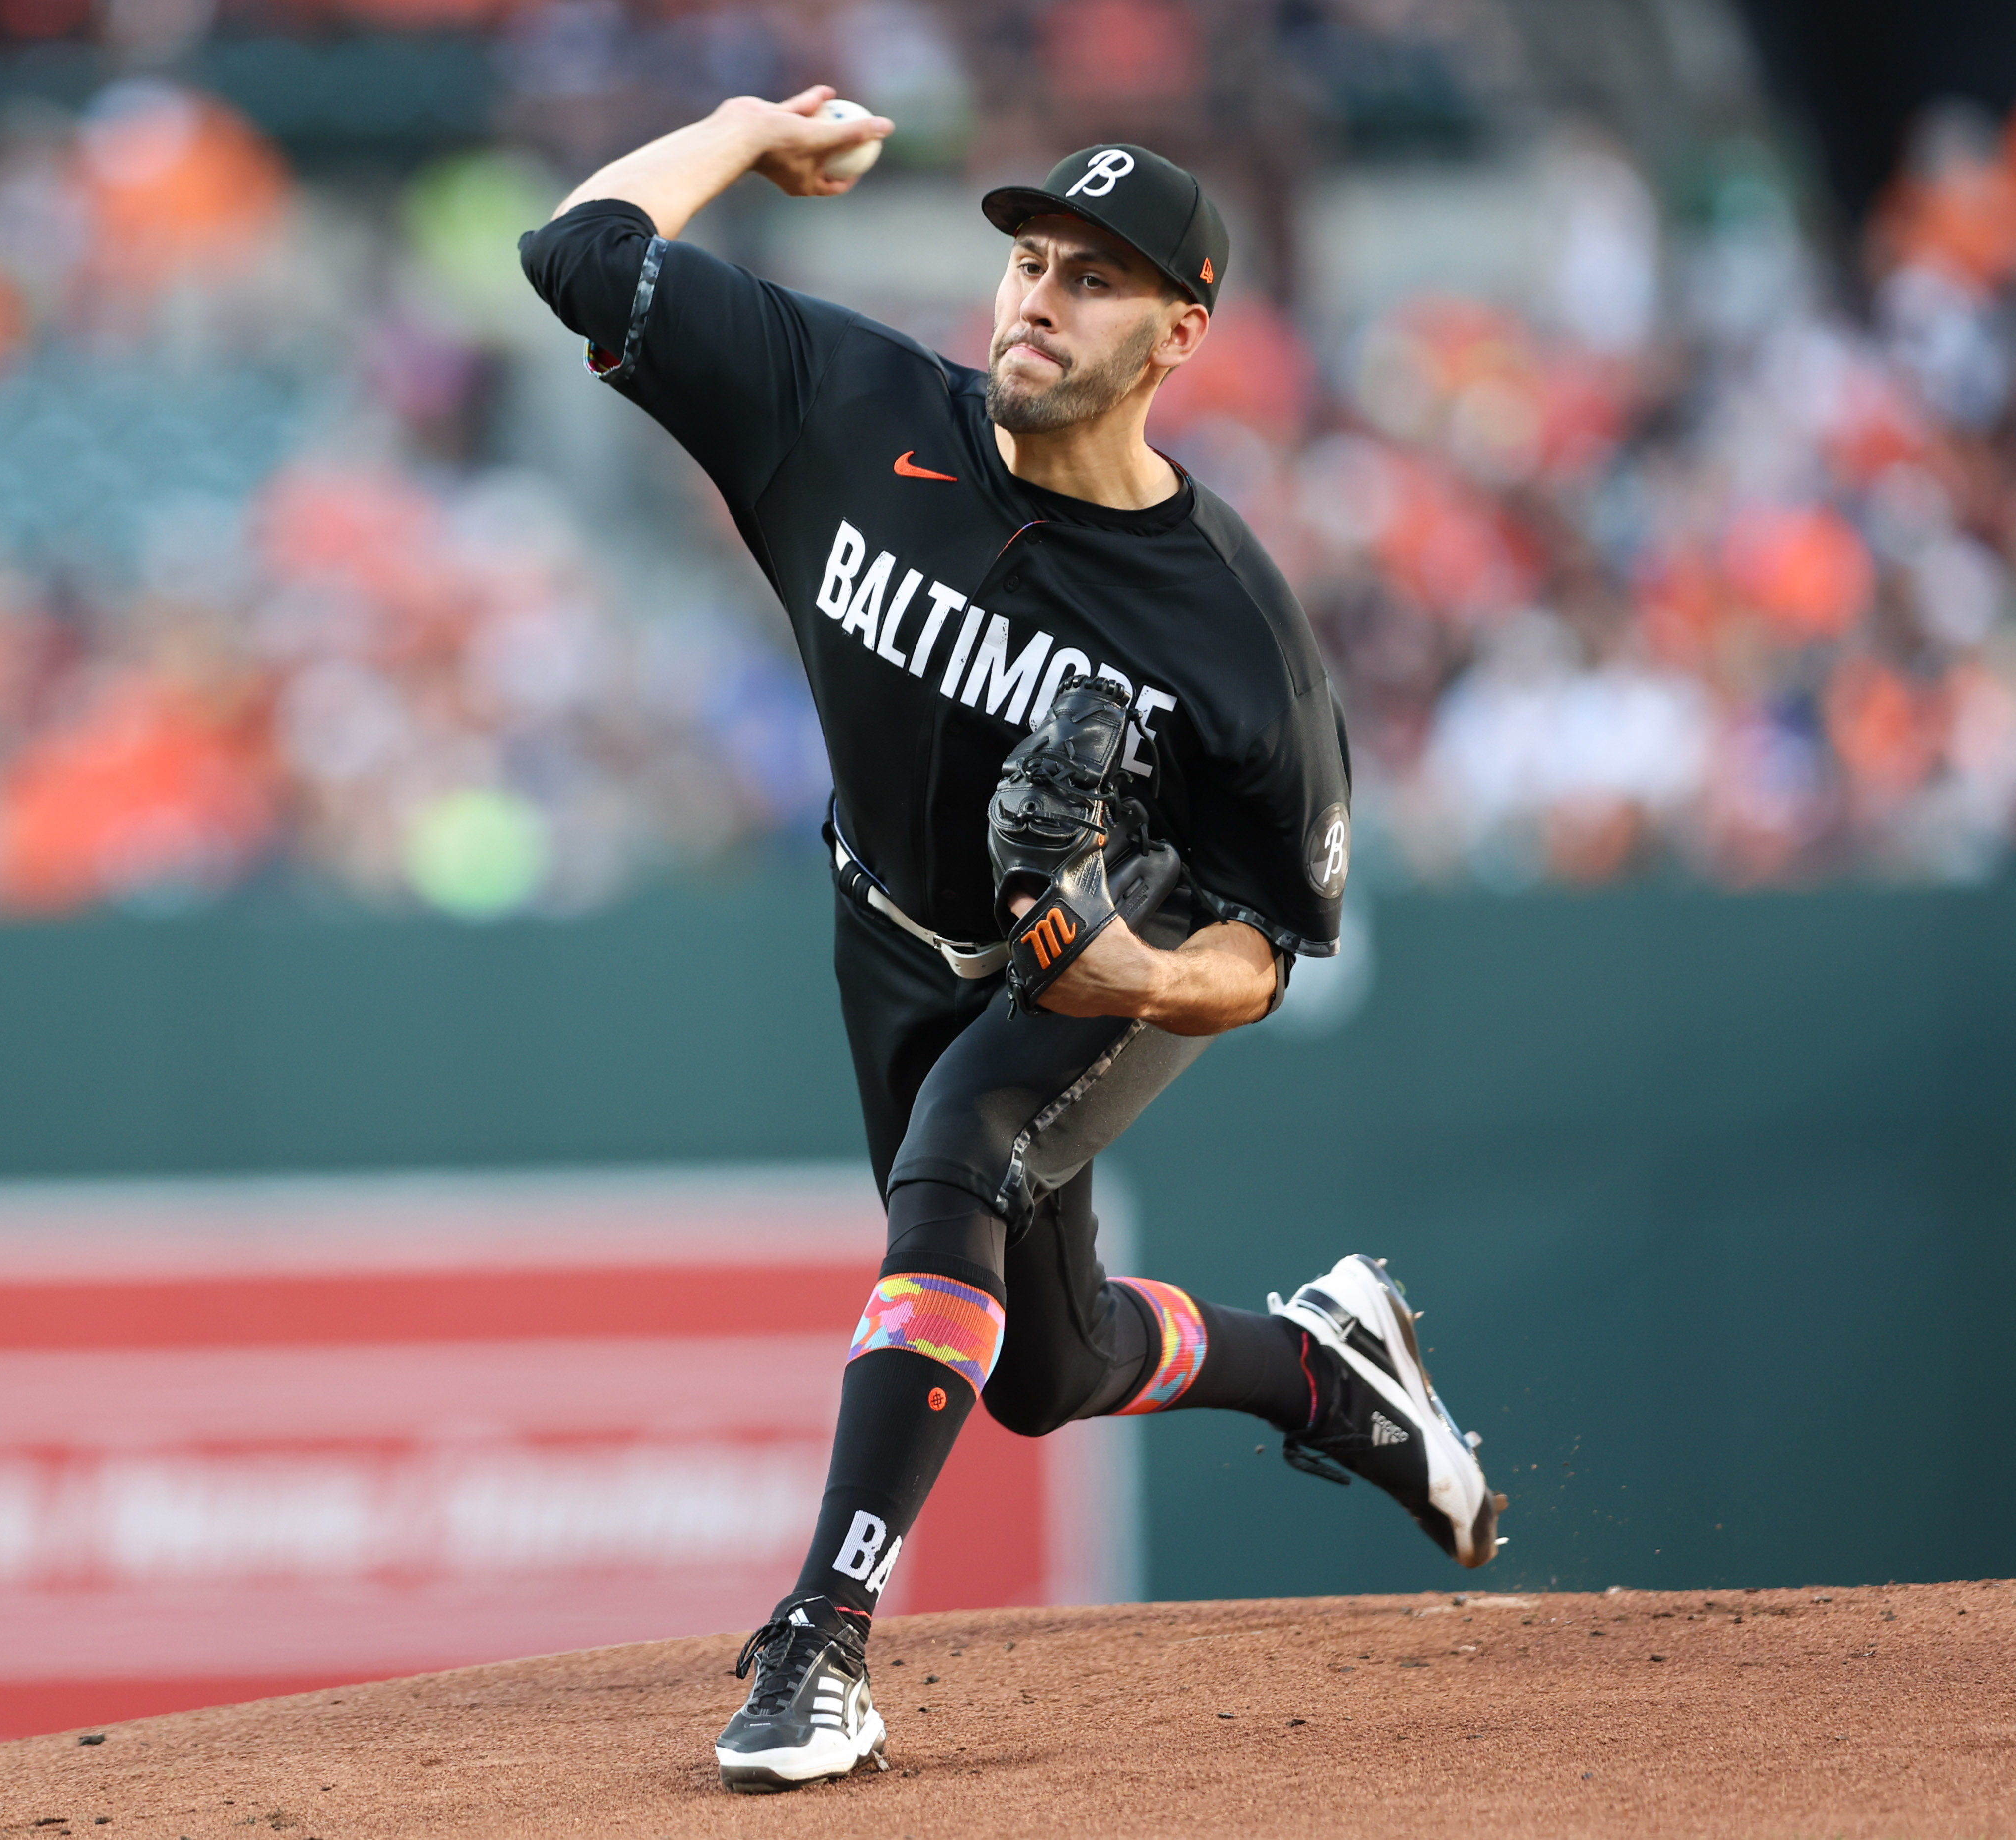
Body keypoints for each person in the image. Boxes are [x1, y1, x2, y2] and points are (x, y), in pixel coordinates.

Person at [519, 88, 1505, 1794]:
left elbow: (1272, 946)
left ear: (1182, 333)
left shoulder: (1236, 638)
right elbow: (582, 249)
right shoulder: (844, 407)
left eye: (1098, 279)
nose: (1041, 296)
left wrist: (1136, 977)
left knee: (959, 1154)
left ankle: (820, 1639)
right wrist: (751, 129)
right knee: (1047, 1366)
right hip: (890, 926)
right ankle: (1322, 1373)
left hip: (1104, 954)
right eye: (1032, 261)